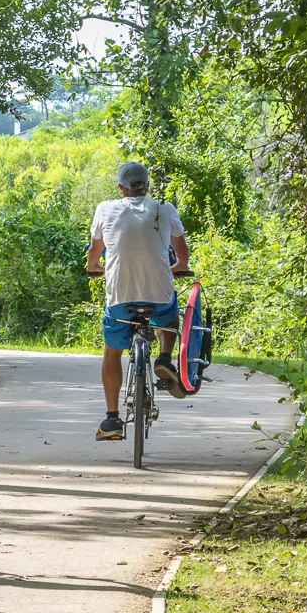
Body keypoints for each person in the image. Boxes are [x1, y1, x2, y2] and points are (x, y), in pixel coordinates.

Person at [86, 160, 191, 440]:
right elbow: (182, 253)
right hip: (158, 293)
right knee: (169, 315)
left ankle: (111, 420)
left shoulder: (105, 209)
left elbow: (95, 253)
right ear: (147, 186)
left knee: (112, 351)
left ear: (120, 188)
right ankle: (165, 358)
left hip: (120, 296)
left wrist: (94, 267)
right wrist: (179, 265)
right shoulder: (164, 209)